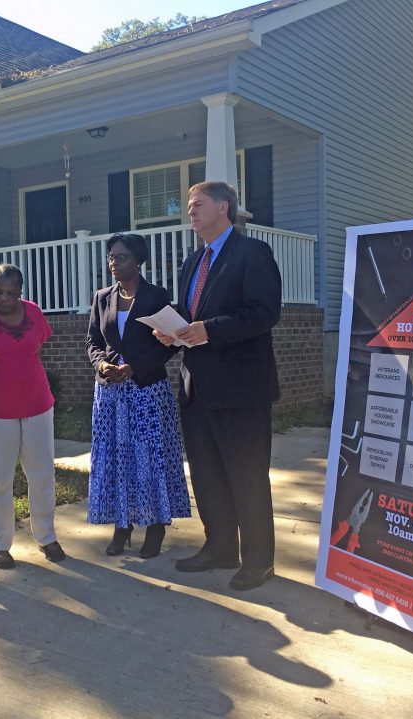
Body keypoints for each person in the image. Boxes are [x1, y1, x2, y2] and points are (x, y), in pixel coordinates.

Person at [154, 181, 282, 591]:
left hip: (241, 390)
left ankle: (259, 561)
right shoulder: (193, 261)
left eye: (197, 204)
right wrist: (173, 331)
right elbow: (191, 313)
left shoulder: (252, 253)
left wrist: (208, 330)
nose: (189, 211)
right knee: (207, 475)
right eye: (188, 205)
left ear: (223, 207)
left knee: (246, 476)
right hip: (196, 387)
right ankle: (220, 548)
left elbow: (264, 313)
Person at [87, 233, 190, 558]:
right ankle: (122, 526)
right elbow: (92, 340)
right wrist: (102, 364)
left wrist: (134, 367)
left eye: (122, 257)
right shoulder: (102, 297)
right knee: (118, 459)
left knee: (148, 458)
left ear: (138, 260)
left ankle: (155, 527)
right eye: (112, 257)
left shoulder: (156, 296)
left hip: (146, 391)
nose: (114, 263)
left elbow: (170, 343)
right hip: (111, 394)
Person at [0, 264, 65, 569]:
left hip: (37, 407)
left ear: (21, 292)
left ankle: (46, 537)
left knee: (42, 475)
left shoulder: (34, 312)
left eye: (12, 293)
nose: (5, 299)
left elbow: (36, 349)